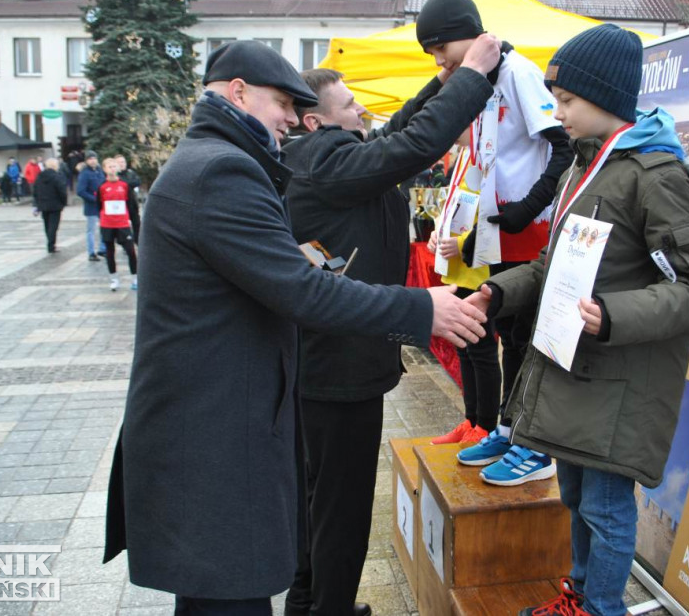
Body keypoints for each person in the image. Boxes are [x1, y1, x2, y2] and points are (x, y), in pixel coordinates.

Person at [103, 40, 487, 616]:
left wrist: (446, 83)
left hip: (219, 426)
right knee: (229, 596)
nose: (290, 117)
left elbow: (388, 143)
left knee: (233, 588)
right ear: (238, 91)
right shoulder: (220, 171)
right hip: (212, 440)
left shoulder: (218, 160)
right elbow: (301, 288)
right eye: (282, 102)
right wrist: (420, 309)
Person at [465, 24, 689, 616]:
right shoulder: (580, 169)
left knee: (606, 508)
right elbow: (553, 265)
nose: (557, 113)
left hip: (620, 383)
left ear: (605, 97)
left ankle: (600, 605)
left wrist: (611, 316)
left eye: (567, 100)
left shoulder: (656, 176)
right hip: (576, 373)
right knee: (577, 496)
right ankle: (579, 598)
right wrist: (497, 291)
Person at [282, 34, 500, 616]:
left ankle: (308, 603)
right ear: (313, 120)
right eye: (350, 104)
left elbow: (395, 133)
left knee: (318, 498)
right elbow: (411, 144)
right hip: (340, 369)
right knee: (342, 506)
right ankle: (329, 608)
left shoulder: (328, 159)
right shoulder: (328, 163)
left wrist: (443, 82)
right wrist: (474, 76)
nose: (363, 112)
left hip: (329, 363)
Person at [416, 0, 572, 466]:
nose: (441, 61)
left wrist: (529, 206)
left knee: (521, 340)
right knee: (500, 335)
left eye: (441, 49)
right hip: (493, 233)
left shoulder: (520, 71)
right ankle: (504, 427)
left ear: (462, 35)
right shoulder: (483, 79)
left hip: (524, 230)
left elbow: (561, 147)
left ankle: (526, 439)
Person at [426, 137, 503, 456]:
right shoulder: (462, 156)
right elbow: (455, 206)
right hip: (458, 269)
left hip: (481, 269)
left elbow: (500, 214)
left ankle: (486, 426)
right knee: (465, 348)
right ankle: (470, 420)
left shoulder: (492, 154)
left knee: (482, 350)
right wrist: (438, 232)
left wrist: (464, 243)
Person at [97, 157, 138, 291]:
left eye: (114, 166)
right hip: (107, 224)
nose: (112, 169)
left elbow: (131, 205)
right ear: (104, 169)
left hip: (122, 224)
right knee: (110, 252)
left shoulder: (124, 186)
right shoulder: (102, 187)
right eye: (110, 166)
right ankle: (114, 278)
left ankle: (135, 278)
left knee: (131, 251)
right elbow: (99, 204)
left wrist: (132, 220)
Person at [33, 157, 68, 253]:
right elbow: (62, 191)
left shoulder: (39, 176)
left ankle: (50, 243)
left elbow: (35, 190)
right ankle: (51, 245)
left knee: (47, 225)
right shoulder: (57, 176)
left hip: (43, 204)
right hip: (55, 205)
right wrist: (64, 202)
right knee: (54, 226)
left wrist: (37, 203)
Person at [76, 151, 105, 261]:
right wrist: (94, 199)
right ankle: (91, 252)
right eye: (90, 159)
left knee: (104, 228)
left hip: (102, 206)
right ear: (86, 161)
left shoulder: (99, 171)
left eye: (94, 158)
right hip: (91, 207)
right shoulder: (85, 173)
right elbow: (80, 191)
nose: (93, 161)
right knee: (91, 230)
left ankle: (102, 249)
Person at [115, 155, 142, 244]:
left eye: (123, 162)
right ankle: (126, 242)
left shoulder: (130, 172)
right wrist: (128, 184)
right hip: (122, 205)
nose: (122, 164)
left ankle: (138, 241)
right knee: (123, 227)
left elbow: (137, 181)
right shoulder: (115, 176)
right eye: (119, 162)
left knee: (137, 224)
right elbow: (122, 185)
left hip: (132, 203)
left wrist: (127, 184)